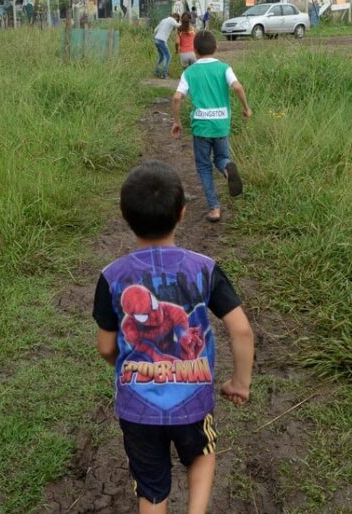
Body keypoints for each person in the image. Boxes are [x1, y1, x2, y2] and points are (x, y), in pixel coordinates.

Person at [93, 160, 255, 514]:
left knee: (151, 490)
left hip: (138, 408)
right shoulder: (204, 268)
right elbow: (241, 328)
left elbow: (107, 347)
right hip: (192, 402)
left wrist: (131, 367)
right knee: (200, 455)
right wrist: (240, 382)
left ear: (124, 214)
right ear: (182, 213)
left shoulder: (111, 277)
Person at [170, 32, 252, 223]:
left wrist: (177, 122)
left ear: (195, 51)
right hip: (221, 123)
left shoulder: (189, 72)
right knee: (222, 157)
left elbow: (176, 98)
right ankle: (226, 169)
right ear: (216, 48)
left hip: (201, 126)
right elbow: (238, 87)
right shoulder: (224, 68)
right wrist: (246, 108)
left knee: (204, 166)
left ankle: (214, 208)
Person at [153, 12, 180, 79]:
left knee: (161, 56)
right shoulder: (172, 20)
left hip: (156, 39)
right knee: (168, 57)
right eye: (177, 19)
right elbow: (179, 26)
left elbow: (155, 30)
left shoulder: (163, 20)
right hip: (162, 40)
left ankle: (156, 72)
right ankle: (164, 74)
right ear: (176, 17)